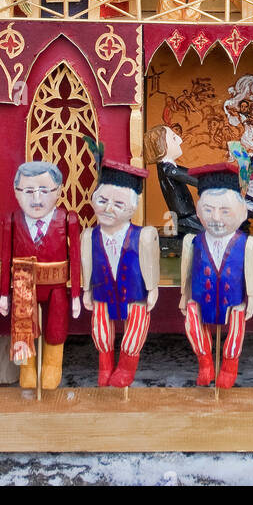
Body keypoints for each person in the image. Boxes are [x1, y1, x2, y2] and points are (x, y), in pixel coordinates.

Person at [0, 160, 81, 391]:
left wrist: (75, 295)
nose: (36, 199)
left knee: (56, 328)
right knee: (23, 330)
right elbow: (5, 259)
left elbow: (75, 258)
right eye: (28, 191)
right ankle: (27, 369)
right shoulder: (12, 220)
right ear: (16, 192)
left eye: (44, 191)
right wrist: (4, 294)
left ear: (58, 191)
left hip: (56, 285)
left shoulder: (67, 219)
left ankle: (53, 366)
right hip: (23, 283)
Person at [178, 165, 253, 388]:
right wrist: (184, 296)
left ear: (242, 212)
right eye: (208, 210)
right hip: (201, 297)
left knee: (235, 326)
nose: (215, 218)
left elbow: (250, 275)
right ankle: (205, 362)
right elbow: (186, 271)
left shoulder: (247, 243)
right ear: (198, 210)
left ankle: (230, 364)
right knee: (193, 321)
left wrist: (252, 297)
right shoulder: (192, 241)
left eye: (225, 211)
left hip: (233, 300)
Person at [81, 160, 158, 387]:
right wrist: (86, 290)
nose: (108, 209)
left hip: (135, 291)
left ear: (132, 209)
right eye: (103, 201)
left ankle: (126, 366)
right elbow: (86, 264)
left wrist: (153, 289)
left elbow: (150, 262)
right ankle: (105, 365)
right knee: (101, 329)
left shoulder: (144, 235)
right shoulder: (89, 236)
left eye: (118, 204)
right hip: (102, 289)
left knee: (135, 329)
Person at [144, 123, 200, 239]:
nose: (179, 141)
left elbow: (190, 173)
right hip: (186, 217)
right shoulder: (167, 169)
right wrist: (208, 183)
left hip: (187, 214)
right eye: (174, 138)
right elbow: (190, 178)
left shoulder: (170, 167)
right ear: (161, 145)